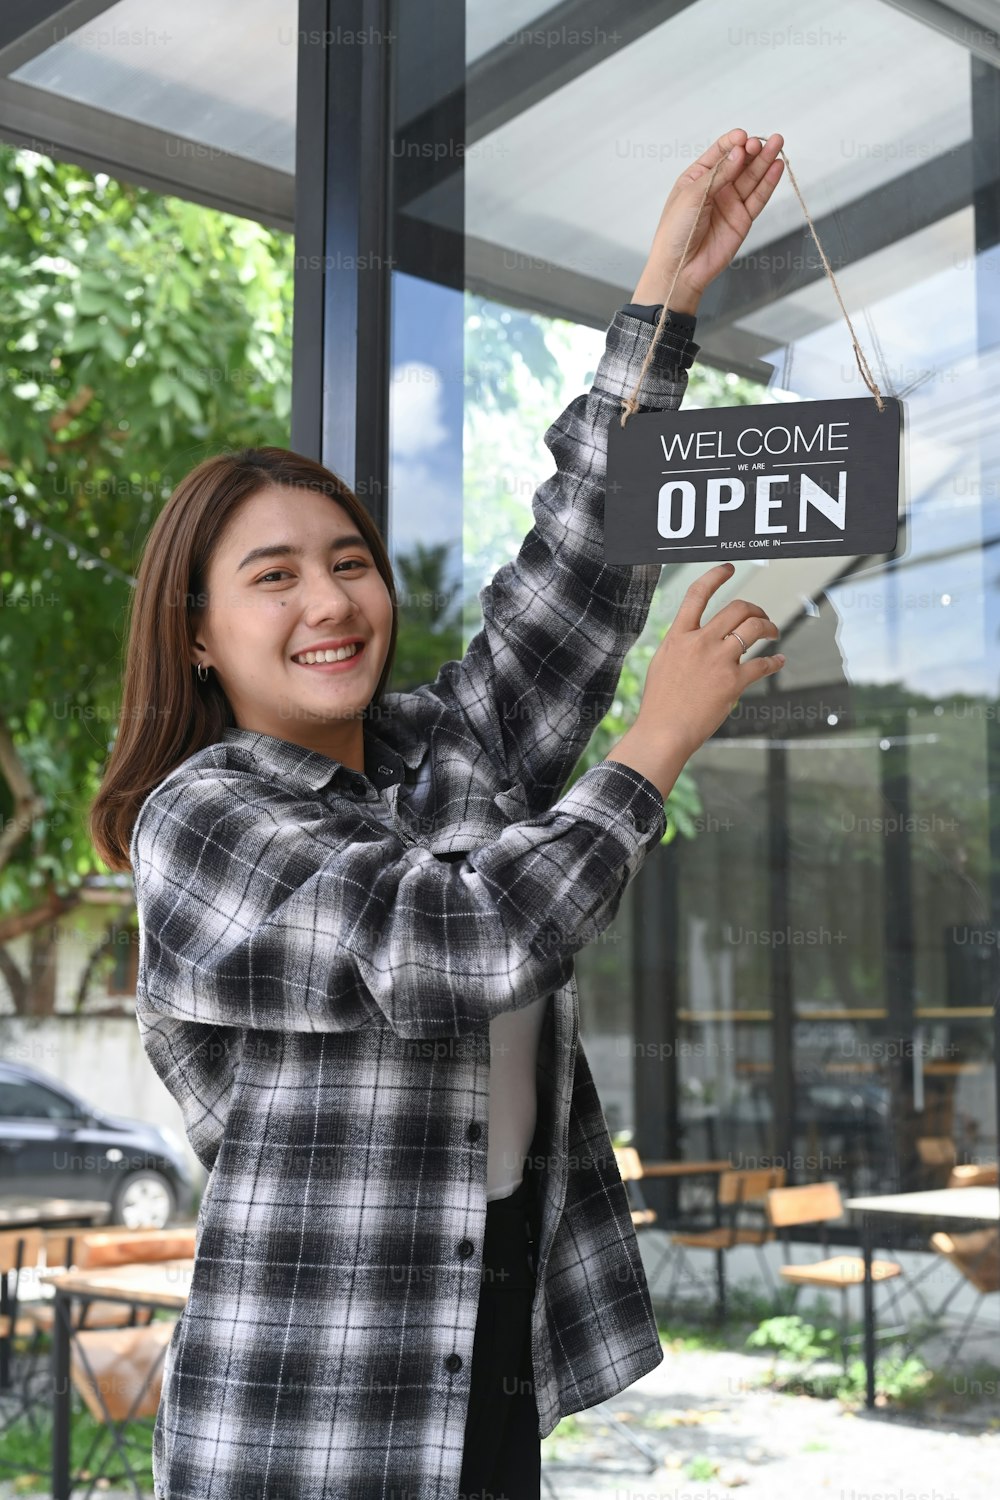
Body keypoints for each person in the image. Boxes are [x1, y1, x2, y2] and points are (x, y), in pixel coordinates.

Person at [90, 127, 786, 1500]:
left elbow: (577, 574)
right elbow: (452, 945)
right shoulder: (204, 822)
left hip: (487, 1350)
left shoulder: (441, 750)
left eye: (347, 562)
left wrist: (666, 297)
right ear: (199, 639)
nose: (331, 602)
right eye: (273, 578)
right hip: (311, 1409)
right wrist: (652, 748)